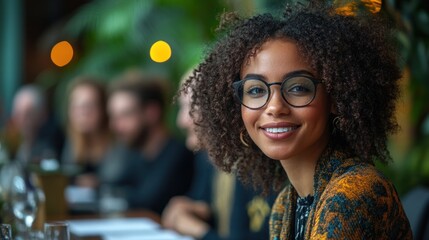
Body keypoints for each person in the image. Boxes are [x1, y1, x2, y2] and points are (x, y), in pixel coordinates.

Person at [182, 2, 412, 239]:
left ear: (335, 97)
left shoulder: (353, 193)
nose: (275, 107)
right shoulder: (285, 205)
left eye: (298, 87)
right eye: (255, 90)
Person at [162, 72, 275, 240]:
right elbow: (202, 202)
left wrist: (198, 230)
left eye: (190, 108)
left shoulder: (265, 165)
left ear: (219, 109)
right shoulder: (210, 157)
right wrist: (192, 208)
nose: (181, 121)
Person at [107, 70, 194, 214]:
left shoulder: (178, 154)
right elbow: (113, 187)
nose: (116, 126)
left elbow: (147, 202)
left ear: (152, 113)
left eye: (125, 115)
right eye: (114, 116)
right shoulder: (136, 153)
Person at [62, 76, 111, 189]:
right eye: (77, 106)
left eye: (90, 106)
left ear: (103, 108)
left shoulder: (118, 145)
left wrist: (99, 183)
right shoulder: (72, 142)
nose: (83, 113)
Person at [11, 84, 63, 163]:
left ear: (43, 115)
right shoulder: (10, 146)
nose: (23, 120)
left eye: (29, 114)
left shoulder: (51, 148)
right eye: (18, 113)